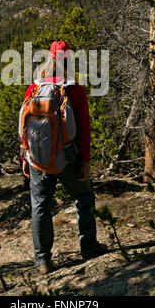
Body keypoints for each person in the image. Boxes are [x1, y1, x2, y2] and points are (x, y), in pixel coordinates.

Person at [20, 41, 108, 274]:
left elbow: (25, 126)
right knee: (85, 197)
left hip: (38, 159)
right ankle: (88, 247)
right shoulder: (74, 90)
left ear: (49, 58)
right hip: (67, 157)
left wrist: (24, 159)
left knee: (40, 206)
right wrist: (85, 164)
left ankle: (42, 261)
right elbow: (84, 130)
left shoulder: (34, 88)